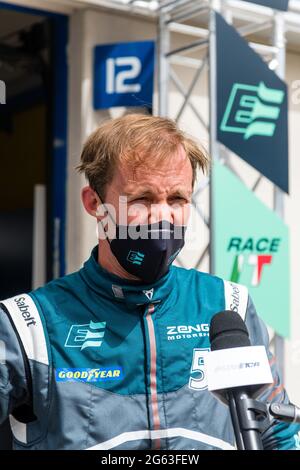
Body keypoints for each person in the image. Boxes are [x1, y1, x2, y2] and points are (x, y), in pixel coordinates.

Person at [0, 114, 299, 450]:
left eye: (177, 199)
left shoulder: (227, 306)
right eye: (142, 198)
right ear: (95, 204)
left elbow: (277, 433)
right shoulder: (28, 325)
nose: (163, 216)